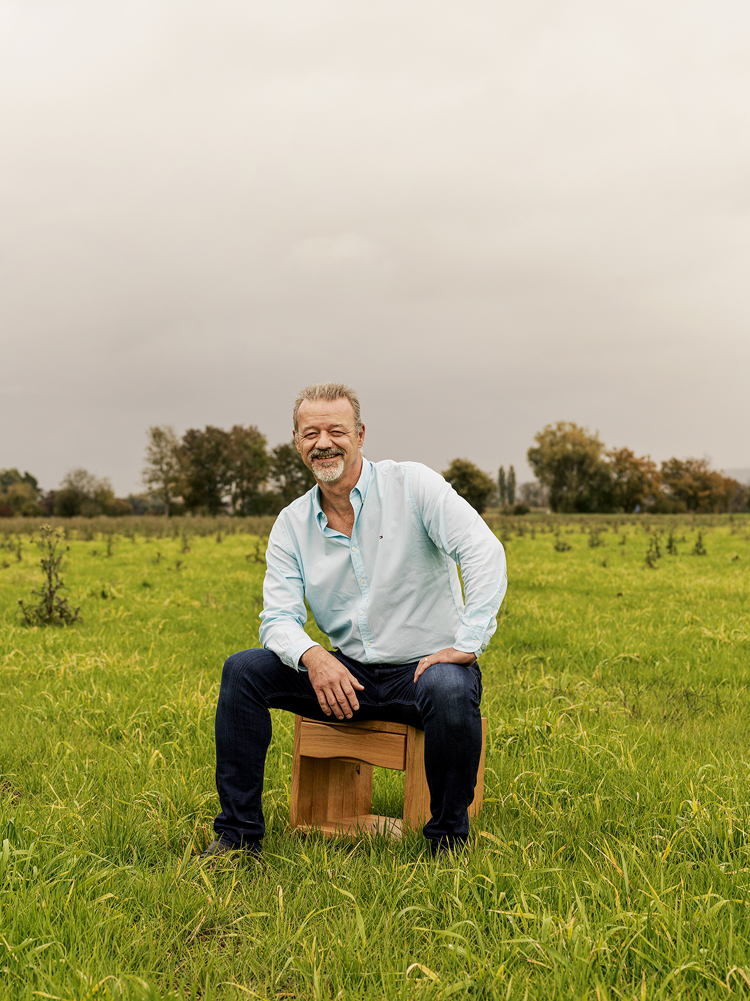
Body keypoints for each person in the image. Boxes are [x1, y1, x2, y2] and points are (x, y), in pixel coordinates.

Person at [201, 382, 507, 860]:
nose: (323, 442)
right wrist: (313, 656)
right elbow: (278, 616)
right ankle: (237, 838)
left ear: (361, 434)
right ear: (297, 443)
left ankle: (448, 840)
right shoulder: (291, 523)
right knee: (242, 672)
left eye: (336, 431)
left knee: (450, 687)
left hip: (425, 672)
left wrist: (467, 643)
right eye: (310, 433)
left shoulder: (413, 485)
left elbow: (483, 551)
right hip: (350, 676)